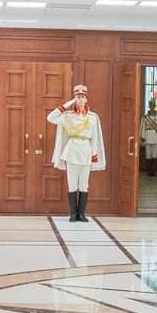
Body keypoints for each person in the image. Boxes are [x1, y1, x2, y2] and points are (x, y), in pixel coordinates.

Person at [49, 84, 107, 221]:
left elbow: (95, 137)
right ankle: (73, 214)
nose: (80, 99)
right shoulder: (67, 116)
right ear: (74, 98)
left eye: (82, 97)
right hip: (72, 151)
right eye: (77, 97)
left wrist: (94, 154)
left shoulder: (93, 117)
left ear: (86, 99)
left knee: (84, 185)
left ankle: (81, 214)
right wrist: (68, 104)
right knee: (72, 184)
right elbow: (50, 117)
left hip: (86, 151)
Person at [142, 104, 157, 175]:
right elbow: (143, 128)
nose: (152, 107)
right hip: (147, 137)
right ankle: (149, 171)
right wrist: (143, 137)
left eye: (153, 106)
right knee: (148, 155)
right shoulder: (145, 117)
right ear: (149, 106)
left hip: (156, 138)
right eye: (151, 105)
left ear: (154, 107)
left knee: (155, 155)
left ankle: (152, 171)